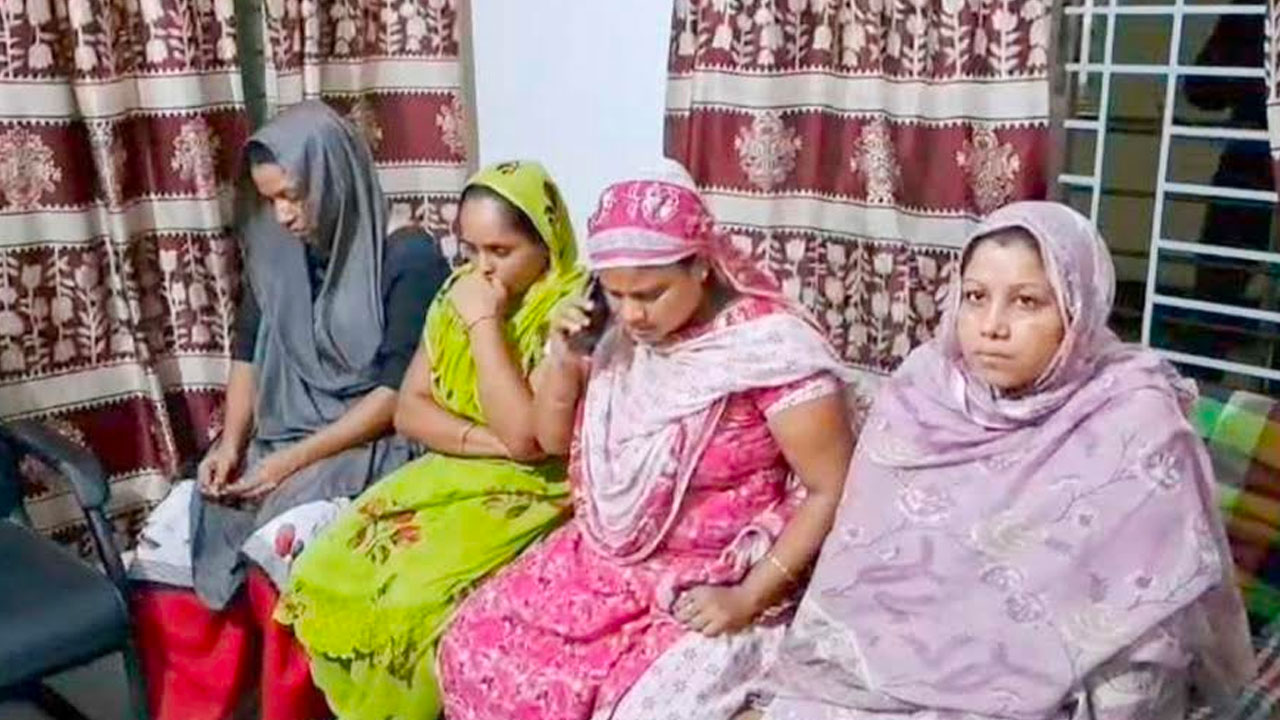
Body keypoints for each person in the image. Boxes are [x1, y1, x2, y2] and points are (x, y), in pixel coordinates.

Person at [753, 202, 1257, 720]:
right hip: (904, 658)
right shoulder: (923, 392)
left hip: (1072, 673)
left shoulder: (1134, 413)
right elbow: (864, 567)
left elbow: (1147, 607)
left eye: (1027, 301)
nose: (991, 326)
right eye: (975, 297)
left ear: (1078, 308)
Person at [437, 160, 862, 720]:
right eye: (615, 294)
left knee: (640, 707)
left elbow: (829, 487)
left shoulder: (767, 349)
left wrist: (748, 597)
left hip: (715, 574)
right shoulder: (611, 334)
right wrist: (564, 358)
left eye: (649, 293)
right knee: (472, 645)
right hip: (602, 560)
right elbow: (550, 439)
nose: (632, 314)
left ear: (700, 266)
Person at [128, 100, 451, 720]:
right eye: (270, 200)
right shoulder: (279, 253)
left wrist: (288, 464)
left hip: (368, 446)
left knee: (279, 541)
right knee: (173, 534)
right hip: (283, 434)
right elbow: (250, 351)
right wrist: (230, 443)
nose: (283, 215)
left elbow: (392, 397)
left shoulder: (408, 257)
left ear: (333, 177)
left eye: (293, 197)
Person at [275, 160, 587, 720]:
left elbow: (529, 441)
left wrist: (484, 327)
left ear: (547, 243)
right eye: (471, 250)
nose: (482, 267)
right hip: (458, 466)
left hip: (534, 490)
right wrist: (494, 442)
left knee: (413, 598)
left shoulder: (567, 314)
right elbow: (411, 411)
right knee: (328, 563)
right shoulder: (457, 294)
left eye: (500, 251)